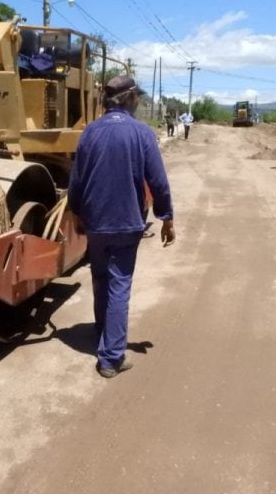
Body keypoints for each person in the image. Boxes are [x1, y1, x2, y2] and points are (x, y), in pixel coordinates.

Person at [68, 75, 175, 379]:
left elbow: (76, 180)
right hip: (127, 223)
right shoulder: (141, 133)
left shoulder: (89, 132)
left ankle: (104, 330)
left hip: (96, 222)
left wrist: (77, 214)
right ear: (129, 99)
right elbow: (158, 181)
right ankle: (111, 357)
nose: (139, 102)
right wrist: (166, 217)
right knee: (119, 284)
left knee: (101, 276)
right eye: (138, 98)